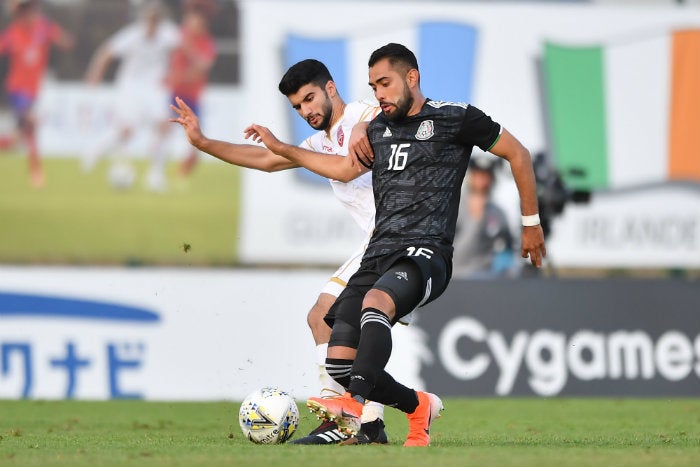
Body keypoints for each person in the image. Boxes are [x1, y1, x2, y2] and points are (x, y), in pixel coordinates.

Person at [245, 43, 546, 447]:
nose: (379, 94)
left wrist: (531, 223)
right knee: (338, 361)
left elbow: (518, 154)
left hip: (426, 251)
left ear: (412, 77)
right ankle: (416, 406)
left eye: (385, 83)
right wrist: (285, 149)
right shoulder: (375, 130)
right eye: (373, 86)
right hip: (380, 250)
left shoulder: (456, 118)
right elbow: (341, 167)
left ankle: (352, 409)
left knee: (376, 304)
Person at [170, 59, 389, 445]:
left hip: (394, 237)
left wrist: (359, 126)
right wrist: (203, 143)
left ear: (331, 88)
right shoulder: (317, 142)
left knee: (322, 316)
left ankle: (339, 417)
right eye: (297, 107)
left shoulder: (362, 113)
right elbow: (266, 160)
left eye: (309, 99)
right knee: (335, 325)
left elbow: (361, 145)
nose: (306, 111)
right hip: (378, 240)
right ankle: (368, 422)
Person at [83, 0, 180, 192]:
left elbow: (183, 48)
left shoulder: (168, 33)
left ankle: (155, 176)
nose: (152, 23)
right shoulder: (132, 35)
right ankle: (95, 149)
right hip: (131, 86)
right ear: (145, 20)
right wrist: (95, 74)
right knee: (127, 130)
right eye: (150, 19)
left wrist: (175, 72)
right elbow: (106, 52)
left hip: (155, 87)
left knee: (164, 125)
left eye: (156, 19)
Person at [0, 0, 74, 188]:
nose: (30, 16)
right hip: (18, 89)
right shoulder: (12, 33)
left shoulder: (43, 28)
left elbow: (67, 43)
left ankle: (35, 171)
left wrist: (55, 34)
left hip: (34, 91)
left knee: (23, 135)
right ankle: (36, 172)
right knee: (30, 124)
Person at [164, 0, 217, 178]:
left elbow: (203, 66)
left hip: (193, 95)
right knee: (165, 127)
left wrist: (189, 51)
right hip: (175, 92)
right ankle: (159, 169)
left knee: (195, 134)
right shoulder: (179, 36)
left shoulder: (206, 42)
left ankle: (184, 169)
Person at [452, 155, 516, 278]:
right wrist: (476, 219)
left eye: (487, 176)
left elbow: (508, 251)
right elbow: (458, 257)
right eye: (477, 175)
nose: (482, 181)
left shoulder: (498, 213)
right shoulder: (454, 208)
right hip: (458, 278)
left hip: (491, 280)